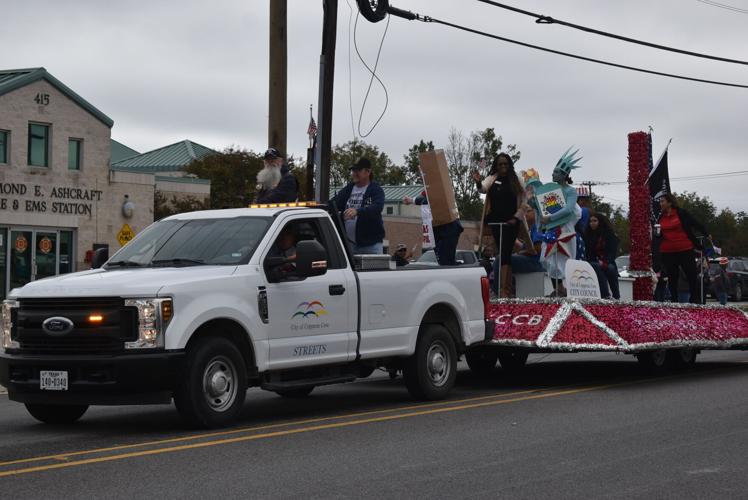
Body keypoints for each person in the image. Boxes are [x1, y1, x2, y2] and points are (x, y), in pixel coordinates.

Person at [472, 153, 525, 297]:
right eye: (500, 164)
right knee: (502, 251)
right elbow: (482, 188)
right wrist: (477, 181)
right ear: (496, 165)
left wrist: (516, 217)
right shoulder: (492, 178)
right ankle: (503, 289)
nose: (503, 167)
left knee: (506, 251)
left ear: (509, 165)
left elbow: (525, 200)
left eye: (505, 164)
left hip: (511, 222)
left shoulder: (517, 179)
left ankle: (505, 290)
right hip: (496, 222)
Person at [535, 148, 583, 297]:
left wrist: (550, 218)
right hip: (550, 230)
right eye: (553, 171)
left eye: (556, 172)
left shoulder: (571, 191)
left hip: (565, 231)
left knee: (564, 261)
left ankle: (564, 290)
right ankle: (558, 289)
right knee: (548, 260)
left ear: (564, 174)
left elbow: (568, 209)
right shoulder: (550, 191)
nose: (552, 174)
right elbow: (542, 208)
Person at [656, 193, 711, 305]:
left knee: (691, 274)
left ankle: (694, 299)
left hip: (685, 248)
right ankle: (674, 300)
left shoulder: (681, 213)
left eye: (663, 201)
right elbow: (659, 234)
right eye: (660, 201)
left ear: (670, 202)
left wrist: (705, 233)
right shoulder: (661, 217)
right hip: (668, 251)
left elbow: (694, 222)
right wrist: (656, 233)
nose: (660, 203)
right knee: (672, 277)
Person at [329, 157, 385, 254]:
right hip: (350, 244)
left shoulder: (375, 190)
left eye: (358, 170)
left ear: (368, 172)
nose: (354, 173)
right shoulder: (348, 189)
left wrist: (357, 211)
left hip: (372, 246)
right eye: (353, 170)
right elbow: (334, 204)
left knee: (374, 269)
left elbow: (377, 208)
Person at [403, 190, 464, 266]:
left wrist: (412, 200)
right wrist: (411, 200)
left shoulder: (440, 193)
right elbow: (422, 199)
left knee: (445, 259)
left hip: (447, 228)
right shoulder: (429, 194)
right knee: (442, 258)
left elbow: (425, 199)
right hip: (438, 228)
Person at [584, 213, 620, 299]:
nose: (592, 223)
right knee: (597, 267)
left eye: (595, 221)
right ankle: (605, 295)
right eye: (590, 221)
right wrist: (597, 261)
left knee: (611, 269)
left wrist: (605, 262)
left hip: (607, 260)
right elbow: (588, 252)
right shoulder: (588, 234)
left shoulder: (609, 234)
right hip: (593, 261)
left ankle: (616, 296)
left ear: (600, 221)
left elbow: (612, 252)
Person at [510, 204, 545, 274]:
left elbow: (537, 250)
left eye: (528, 211)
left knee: (501, 260)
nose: (525, 214)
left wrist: (519, 253)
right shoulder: (531, 228)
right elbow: (526, 247)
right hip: (534, 262)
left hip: (536, 263)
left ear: (536, 212)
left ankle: (502, 284)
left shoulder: (537, 227)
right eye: (524, 211)